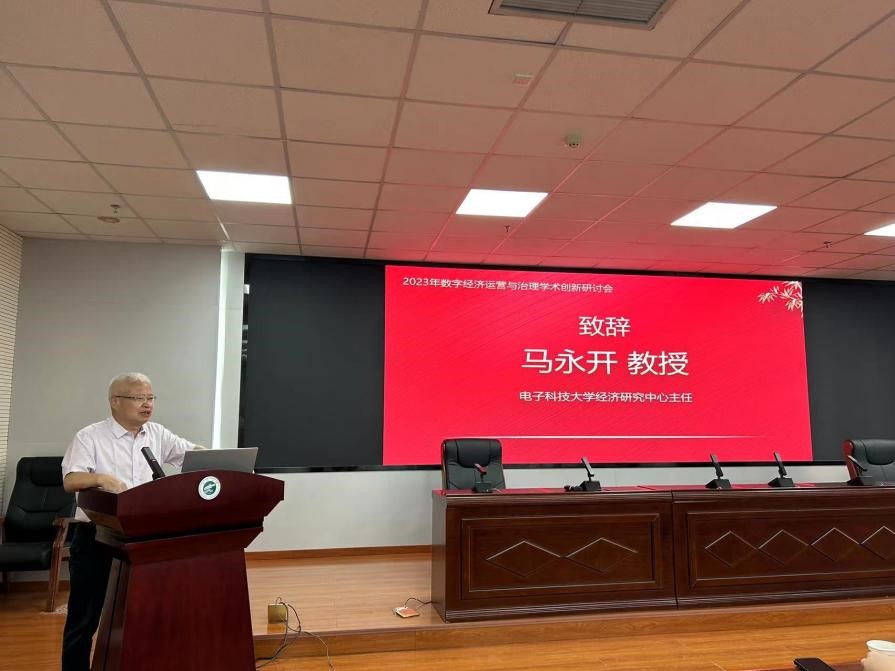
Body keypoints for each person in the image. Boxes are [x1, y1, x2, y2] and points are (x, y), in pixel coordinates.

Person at [60, 372, 204, 671]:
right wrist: (101, 478)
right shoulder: (90, 436)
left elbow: (192, 456)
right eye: (139, 398)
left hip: (144, 537)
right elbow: (71, 480)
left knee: (145, 613)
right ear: (115, 401)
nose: (147, 404)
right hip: (97, 536)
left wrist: (218, 458)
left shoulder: (157, 434)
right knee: (84, 619)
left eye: (151, 398)